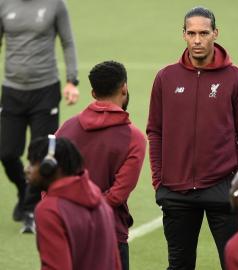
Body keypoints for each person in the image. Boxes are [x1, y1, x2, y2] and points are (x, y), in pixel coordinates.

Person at [146, 6, 238, 270]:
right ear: (183, 34)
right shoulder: (165, 78)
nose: (197, 40)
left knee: (235, 264)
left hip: (223, 188)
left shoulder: (236, 78)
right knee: (179, 265)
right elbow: (155, 131)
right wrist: (158, 178)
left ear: (215, 34)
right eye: (192, 33)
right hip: (175, 190)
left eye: (204, 33)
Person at [56, 61, 146, 270]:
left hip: (69, 230)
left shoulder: (67, 128)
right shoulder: (134, 138)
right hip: (110, 233)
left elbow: (49, 180)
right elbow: (117, 193)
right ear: (124, 88)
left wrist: (69, 214)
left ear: (93, 93)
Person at [0, 0, 79, 233]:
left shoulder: (55, 4)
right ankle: (25, 190)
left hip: (45, 89)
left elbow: (68, 42)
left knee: (41, 152)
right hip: (12, 90)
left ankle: (31, 209)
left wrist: (71, 80)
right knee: (6, 152)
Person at [25, 136, 121, 270]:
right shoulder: (101, 202)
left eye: (32, 163)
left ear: (49, 167)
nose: (27, 169)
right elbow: (115, 262)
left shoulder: (49, 210)